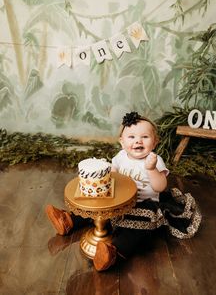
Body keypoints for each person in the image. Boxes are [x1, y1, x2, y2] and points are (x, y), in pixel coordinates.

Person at [45, 111, 202, 271]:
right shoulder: (120, 157)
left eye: (145, 137)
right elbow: (112, 175)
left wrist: (152, 169)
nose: (138, 141)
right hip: (118, 201)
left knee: (133, 232)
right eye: (131, 137)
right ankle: (68, 221)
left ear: (155, 142)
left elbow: (160, 187)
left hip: (142, 206)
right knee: (97, 209)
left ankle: (112, 253)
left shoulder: (154, 161)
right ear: (122, 142)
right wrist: (101, 176)